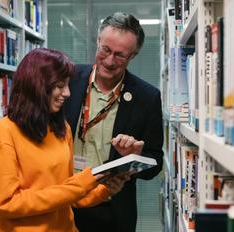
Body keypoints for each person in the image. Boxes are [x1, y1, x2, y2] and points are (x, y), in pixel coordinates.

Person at [0, 48, 130, 232]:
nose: (68, 93)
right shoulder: (5, 131)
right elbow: (6, 203)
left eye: (68, 85)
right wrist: (81, 183)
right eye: (60, 86)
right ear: (37, 86)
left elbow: (71, 196)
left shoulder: (62, 128)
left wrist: (105, 190)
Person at [63, 12, 164, 232]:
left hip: (112, 210)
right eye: (105, 50)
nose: (109, 61)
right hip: (63, 202)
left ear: (133, 56)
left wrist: (134, 157)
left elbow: (155, 163)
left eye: (120, 55)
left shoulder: (147, 98)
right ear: (98, 41)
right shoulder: (66, 78)